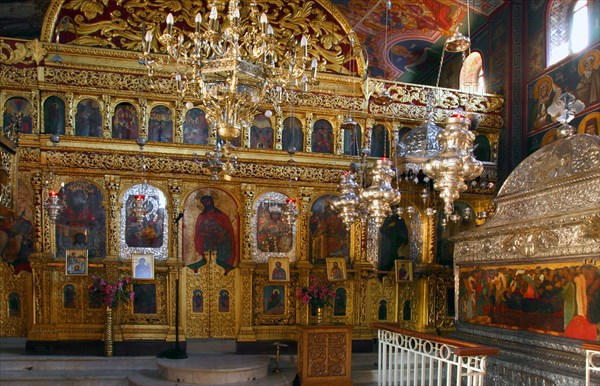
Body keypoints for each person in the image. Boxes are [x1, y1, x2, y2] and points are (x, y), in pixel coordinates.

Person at [192, 195, 237, 274]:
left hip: (222, 243)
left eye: (208, 201)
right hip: (209, 243)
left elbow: (228, 230)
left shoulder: (222, 215)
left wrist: (220, 236)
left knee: (222, 263)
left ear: (212, 201)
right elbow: (199, 232)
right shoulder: (201, 216)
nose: (206, 204)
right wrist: (209, 235)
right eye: (204, 202)